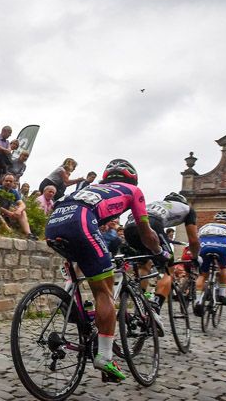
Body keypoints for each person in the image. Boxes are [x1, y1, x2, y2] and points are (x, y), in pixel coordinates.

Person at [44, 159, 163, 381]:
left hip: (54, 222)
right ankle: (105, 357)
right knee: (104, 291)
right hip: (81, 220)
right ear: (132, 177)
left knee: (81, 264)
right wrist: (160, 252)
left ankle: (73, 306)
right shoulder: (134, 190)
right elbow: (145, 232)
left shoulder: (93, 188)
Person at [122, 192, 200, 314]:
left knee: (145, 264)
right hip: (152, 224)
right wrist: (195, 257)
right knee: (169, 269)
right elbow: (194, 240)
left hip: (129, 227)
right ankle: (155, 307)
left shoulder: (155, 204)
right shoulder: (187, 209)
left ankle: (139, 305)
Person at [193, 211, 226, 315]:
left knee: (202, 274)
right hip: (223, 244)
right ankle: (222, 294)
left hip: (204, 244)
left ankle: (198, 300)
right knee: (223, 268)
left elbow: (196, 240)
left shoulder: (205, 226)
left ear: (215, 220)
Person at [0, 173, 35, 239]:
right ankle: (9, 231)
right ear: (2, 181)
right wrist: (8, 212)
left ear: (14, 183)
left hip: (4, 214)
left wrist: (19, 210)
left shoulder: (14, 192)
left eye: (11, 181)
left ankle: (29, 234)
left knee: (22, 212)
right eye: (6, 181)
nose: (8, 182)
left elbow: (22, 204)